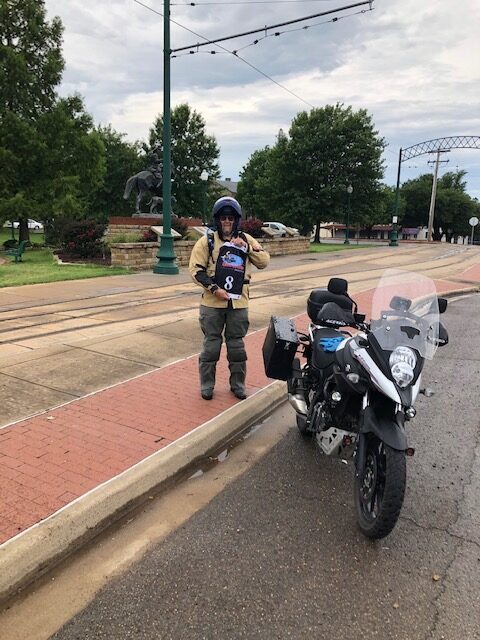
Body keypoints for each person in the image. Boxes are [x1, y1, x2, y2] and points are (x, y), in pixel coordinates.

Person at [189, 196, 270, 400]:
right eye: (224, 218)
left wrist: (247, 248)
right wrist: (214, 288)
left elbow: (264, 261)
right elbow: (195, 270)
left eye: (231, 218)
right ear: (218, 219)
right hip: (213, 302)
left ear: (237, 220)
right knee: (211, 346)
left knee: (237, 347)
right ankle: (207, 385)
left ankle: (238, 384)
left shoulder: (246, 239)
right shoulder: (206, 241)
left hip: (238, 302)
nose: (227, 222)